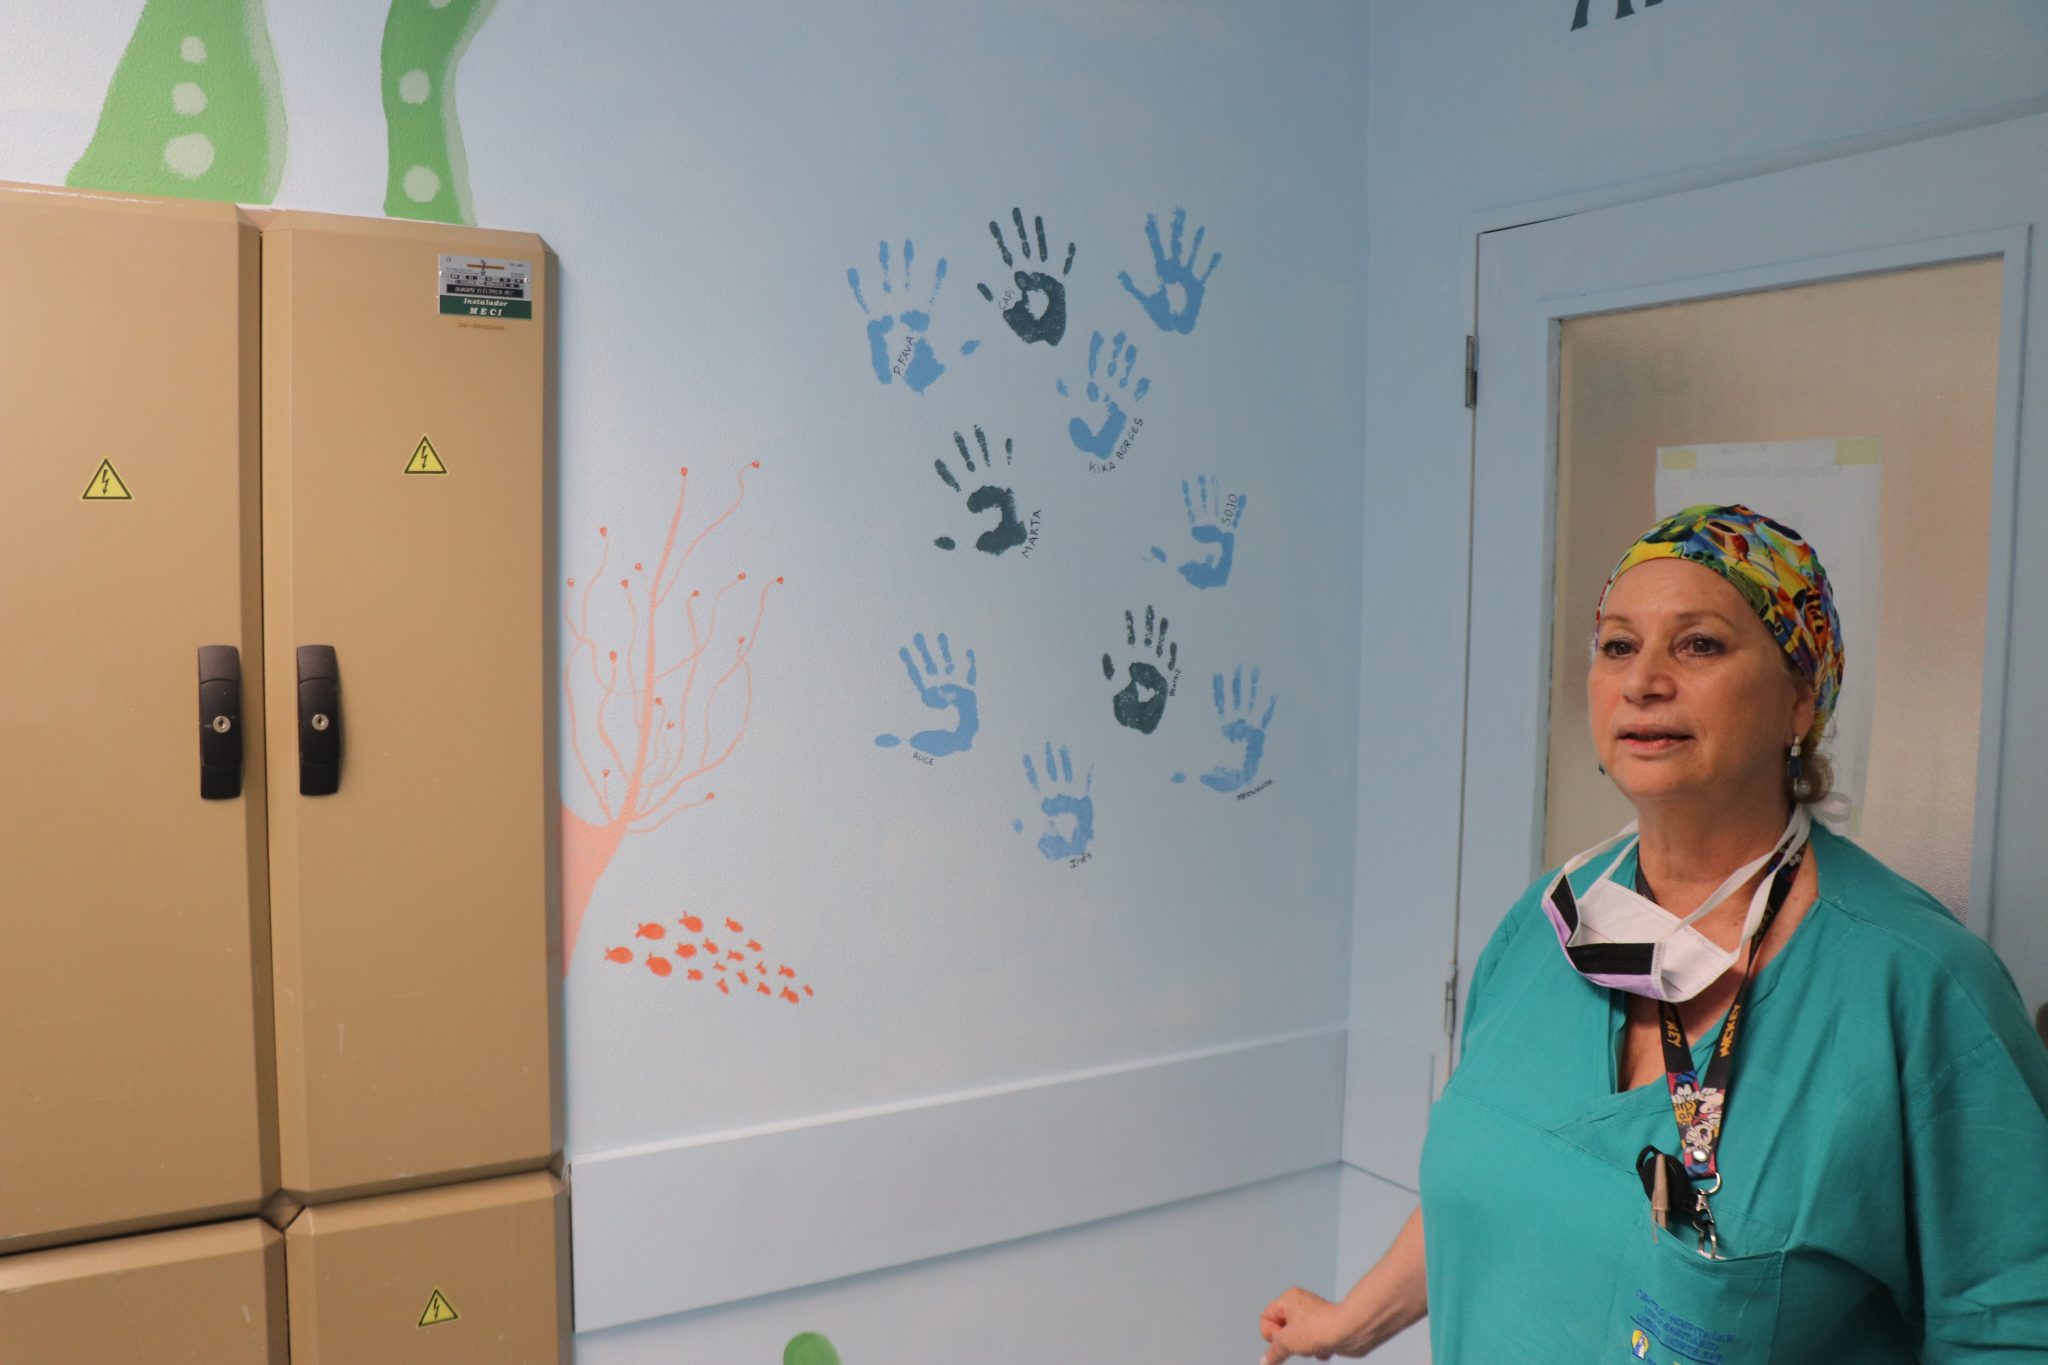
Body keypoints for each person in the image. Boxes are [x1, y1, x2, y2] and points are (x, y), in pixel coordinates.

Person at [1259, 505, 2048, 1362]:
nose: (1642, 680)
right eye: (1618, 645)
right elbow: (1492, 1176)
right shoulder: (1546, 927)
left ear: (1800, 698)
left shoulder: (1918, 984)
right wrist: (1352, 1321)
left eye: (1698, 644)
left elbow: (2008, 1325)